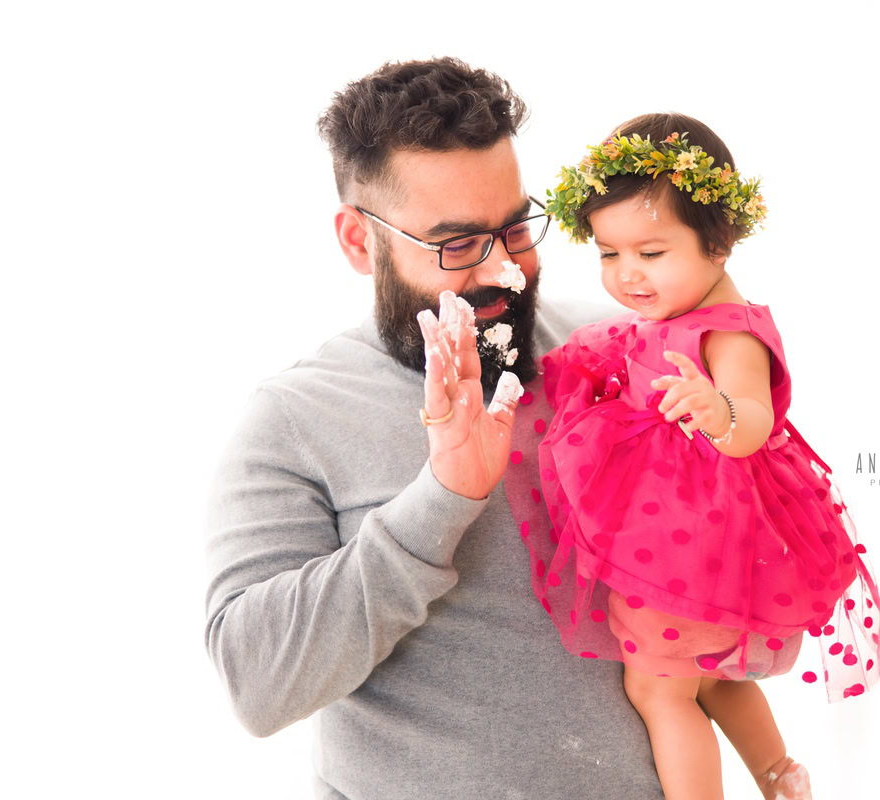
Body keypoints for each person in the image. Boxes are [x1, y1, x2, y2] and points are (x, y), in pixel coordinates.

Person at [204, 57, 670, 798]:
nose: (503, 269)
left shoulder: (619, 354)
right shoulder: (294, 419)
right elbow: (257, 685)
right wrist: (443, 498)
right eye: (456, 245)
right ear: (360, 242)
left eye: (515, 228)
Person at [504, 114, 880, 800]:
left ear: (719, 241)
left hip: (692, 535)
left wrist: (719, 411)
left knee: (659, 690)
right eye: (609, 254)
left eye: (651, 253)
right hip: (693, 530)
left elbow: (753, 422)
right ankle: (779, 776)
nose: (627, 274)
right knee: (711, 678)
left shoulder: (731, 333)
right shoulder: (680, 312)